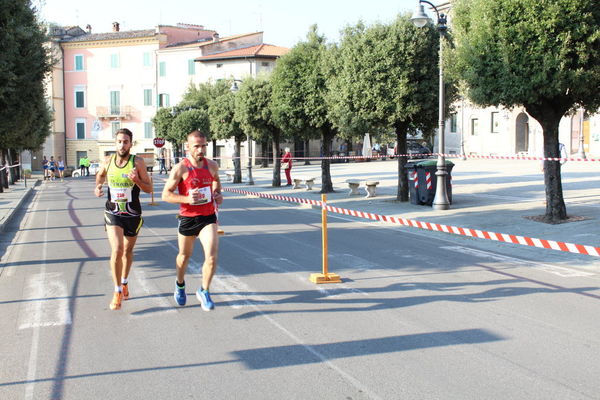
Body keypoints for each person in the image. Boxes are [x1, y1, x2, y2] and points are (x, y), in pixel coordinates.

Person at [162, 130, 223, 311]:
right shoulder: (181, 168)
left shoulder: (212, 166)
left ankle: (204, 290)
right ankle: (180, 284)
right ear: (188, 147)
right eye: (196, 146)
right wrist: (187, 199)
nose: (201, 149)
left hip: (207, 217)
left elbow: (216, 182)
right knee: (184, 257)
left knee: (211, 257)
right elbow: (166, 195)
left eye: (203, 145)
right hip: (188, 218)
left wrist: (217, 194)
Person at [94, 128, 153, 310]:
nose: (122, 145)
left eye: (125, 141)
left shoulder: (138, 162)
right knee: (117, 249)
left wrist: (136, 180)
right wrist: (98, 187)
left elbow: (149, 189)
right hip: (113, 212)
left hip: (133, 214)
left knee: (127, 251)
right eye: (119, 141)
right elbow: (100, 176)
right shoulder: (108, 160)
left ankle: (125, 281)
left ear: (130, 144)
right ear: (115, 143)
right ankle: (117, 290)